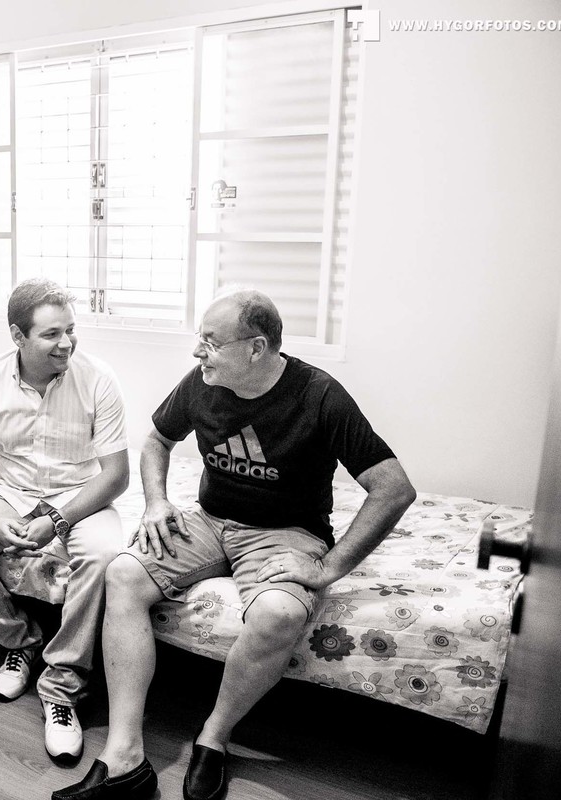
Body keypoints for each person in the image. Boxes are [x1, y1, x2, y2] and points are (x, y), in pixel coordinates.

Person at [52, 289, 416, 800]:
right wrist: (156, 503)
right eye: (199, 338)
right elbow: (157, 440)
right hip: (210, 519)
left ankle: (214, 737)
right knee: (123, 573)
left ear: (256, 348)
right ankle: (124, 754)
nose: (197, 351)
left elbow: (393, 488)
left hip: (284, 532)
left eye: (211, 341)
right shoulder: (203, 382)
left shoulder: (319, 395)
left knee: (279, 614)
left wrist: (329, 567)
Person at [0, 277, 130, 765]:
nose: (67, 343)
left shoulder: (97, 378)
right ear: (18, 336)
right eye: (51, 334)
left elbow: (116, 475)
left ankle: (61, 685)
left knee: (106, 557)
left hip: (78, 494)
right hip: (9, 491)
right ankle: (21, 641)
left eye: (71, 330)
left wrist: (58, 519)